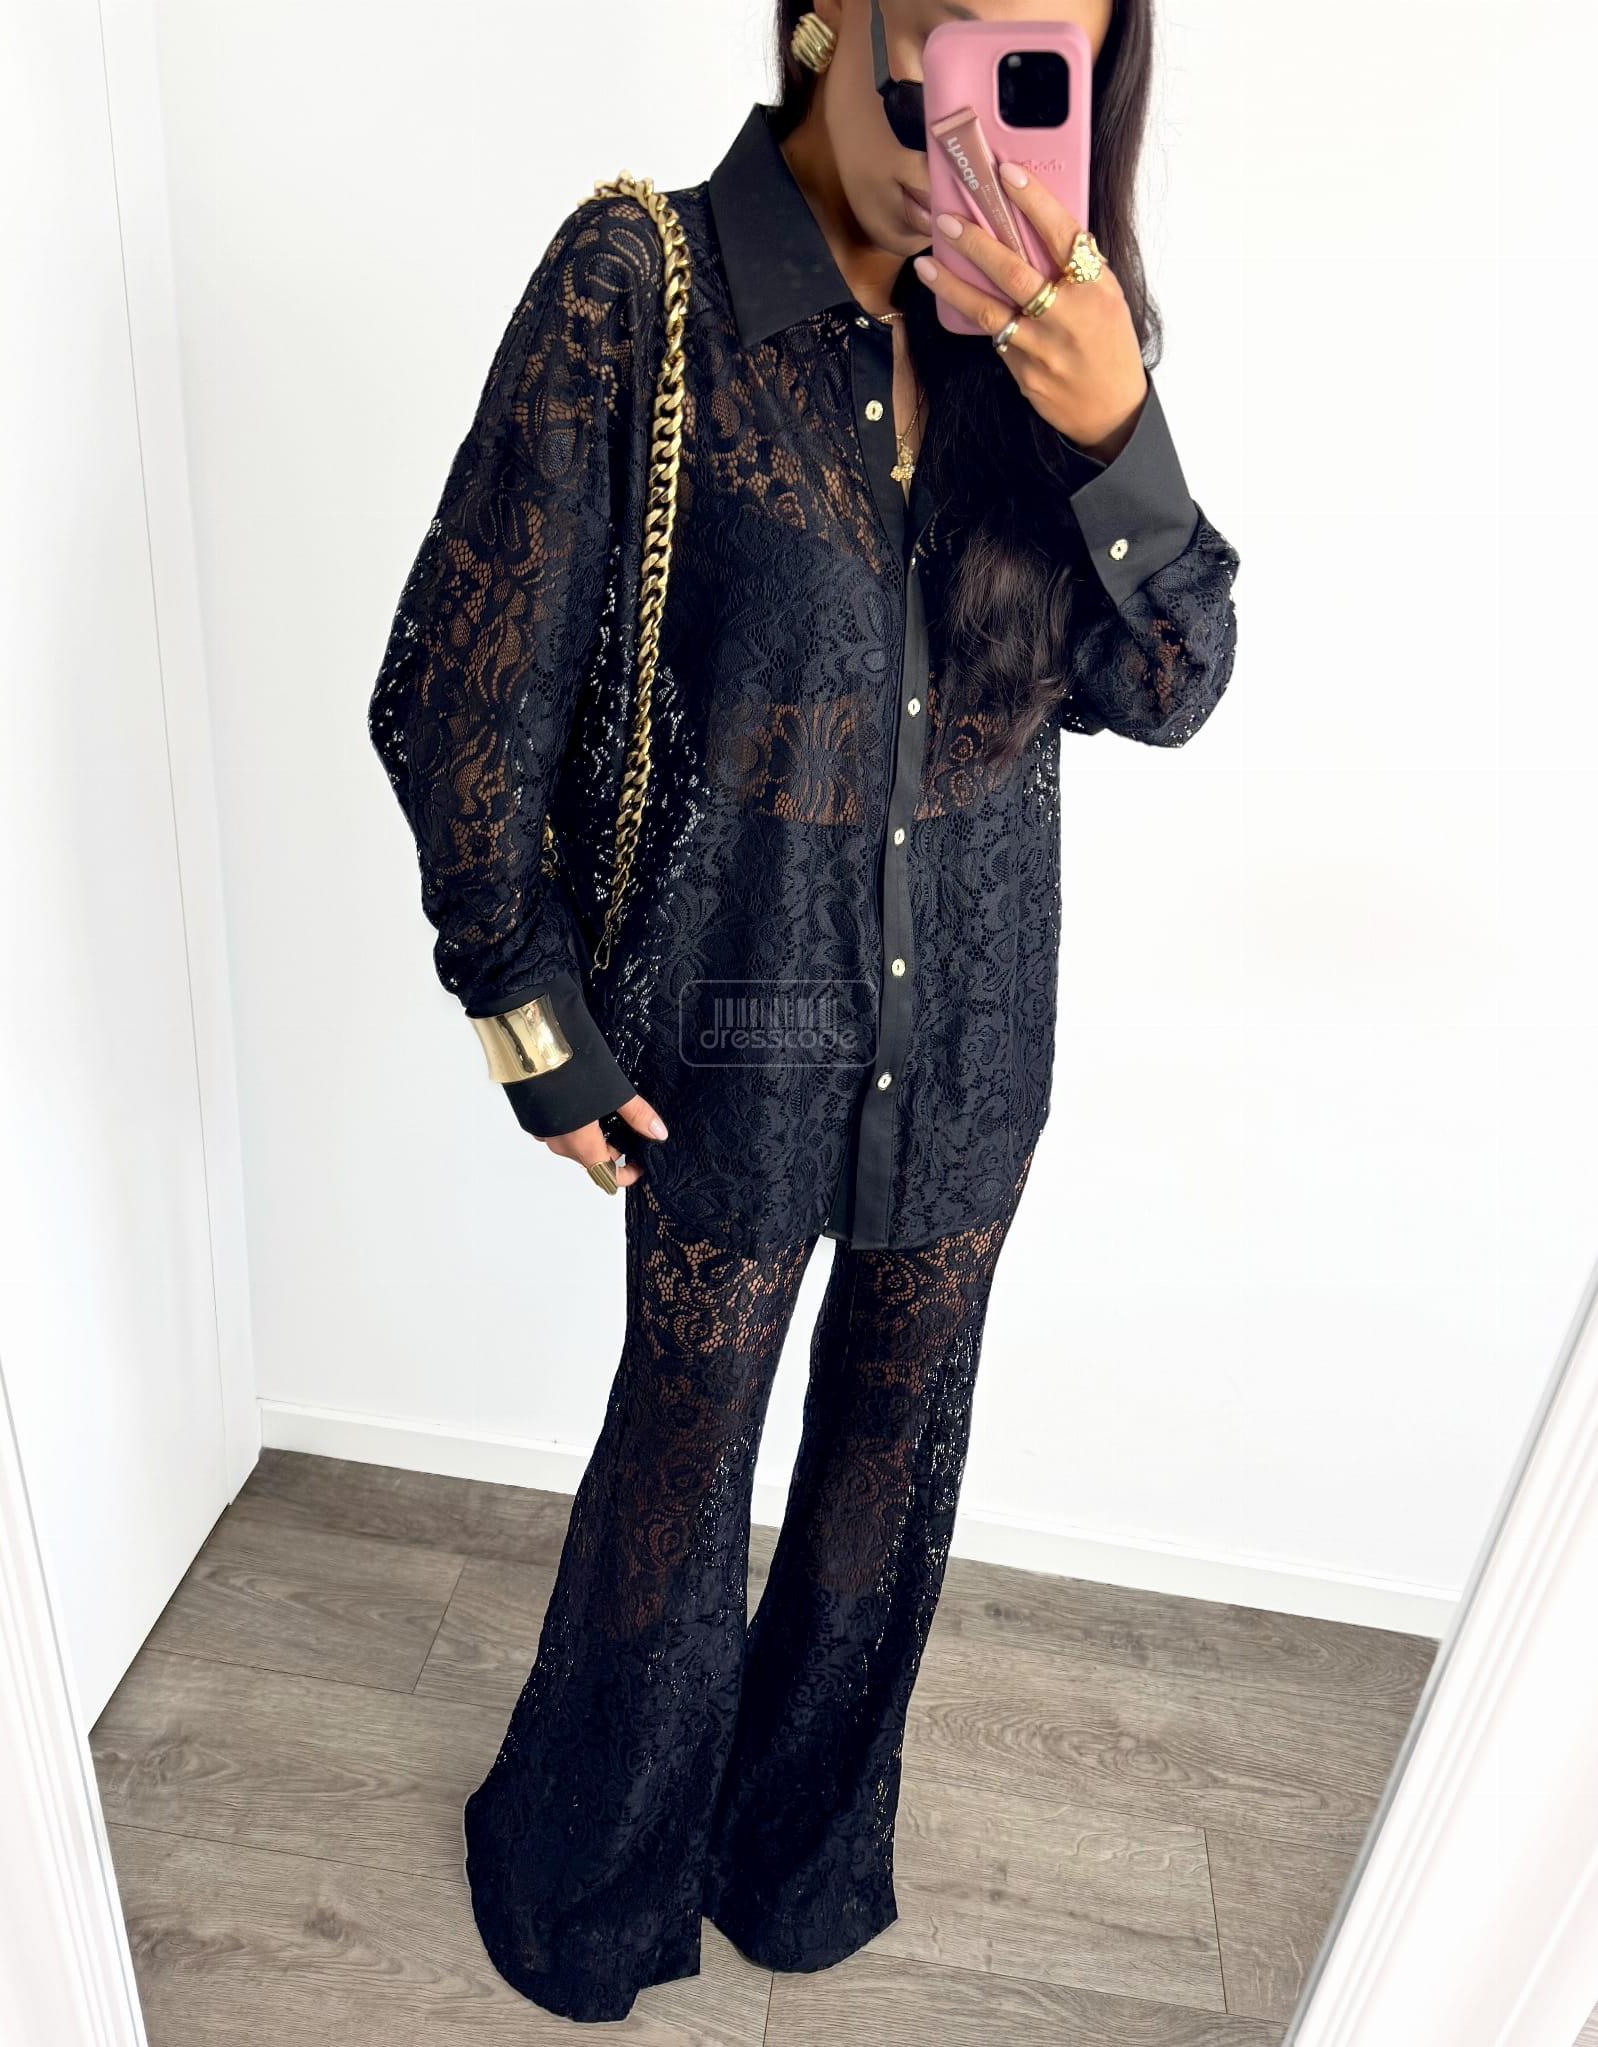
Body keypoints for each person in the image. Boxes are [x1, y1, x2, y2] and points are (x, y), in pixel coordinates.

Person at [368, 0, 1238, 2022]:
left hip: (979, 1032)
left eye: (1042, 85)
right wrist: (526, 1010)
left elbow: (1169, 688)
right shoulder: (640, 283)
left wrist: (1116, 434)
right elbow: (455, 685)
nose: (979, 139)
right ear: (826, 18)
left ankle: (799, 1860)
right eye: (950, 58)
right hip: (729, 1028)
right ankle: (586, 1889)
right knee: (681, 1468)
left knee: (889, 1463)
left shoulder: (1056, 344)